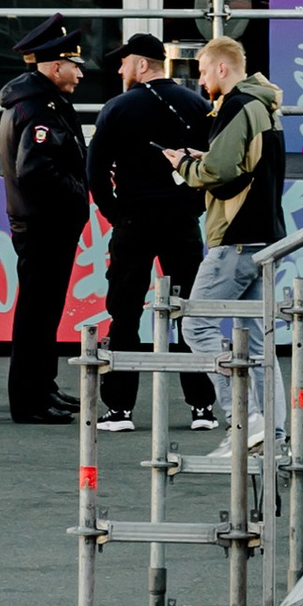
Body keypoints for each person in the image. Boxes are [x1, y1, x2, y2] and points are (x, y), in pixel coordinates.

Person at [86, 33, 215, 435]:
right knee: (189, 312)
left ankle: (120, 409)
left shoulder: (118, 107)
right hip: (182, 222)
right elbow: (213, 163)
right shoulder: (198, 105)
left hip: (134, 222)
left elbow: (94, 170)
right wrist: (194, 206)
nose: (119, 70)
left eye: (124, 62)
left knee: (124, 313)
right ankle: (202, 407)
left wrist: (116, 213)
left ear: (141, 64)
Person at [171, 31, 289, 448]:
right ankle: (272, 434)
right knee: (257, 342)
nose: (202, 81)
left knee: (196, 325)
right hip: (266, 237)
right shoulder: (265, 106)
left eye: (204, 72)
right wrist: (205, 160)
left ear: (222, 68)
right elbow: (246, 167)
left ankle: (245, 418)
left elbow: (220, 172)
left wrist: (184, 165)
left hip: (235, 238)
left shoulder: (236, 105)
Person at [0, 13, 91, 424]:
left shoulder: (42, 102)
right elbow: (35, 170)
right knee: (37, 313)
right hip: (44, 225)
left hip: (43, 223)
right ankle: (29, 400)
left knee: (45, 310)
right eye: (74, 65)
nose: (80, 74)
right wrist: (77, 192)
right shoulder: (38, 108)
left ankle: (42, 387)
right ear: (54, 67)